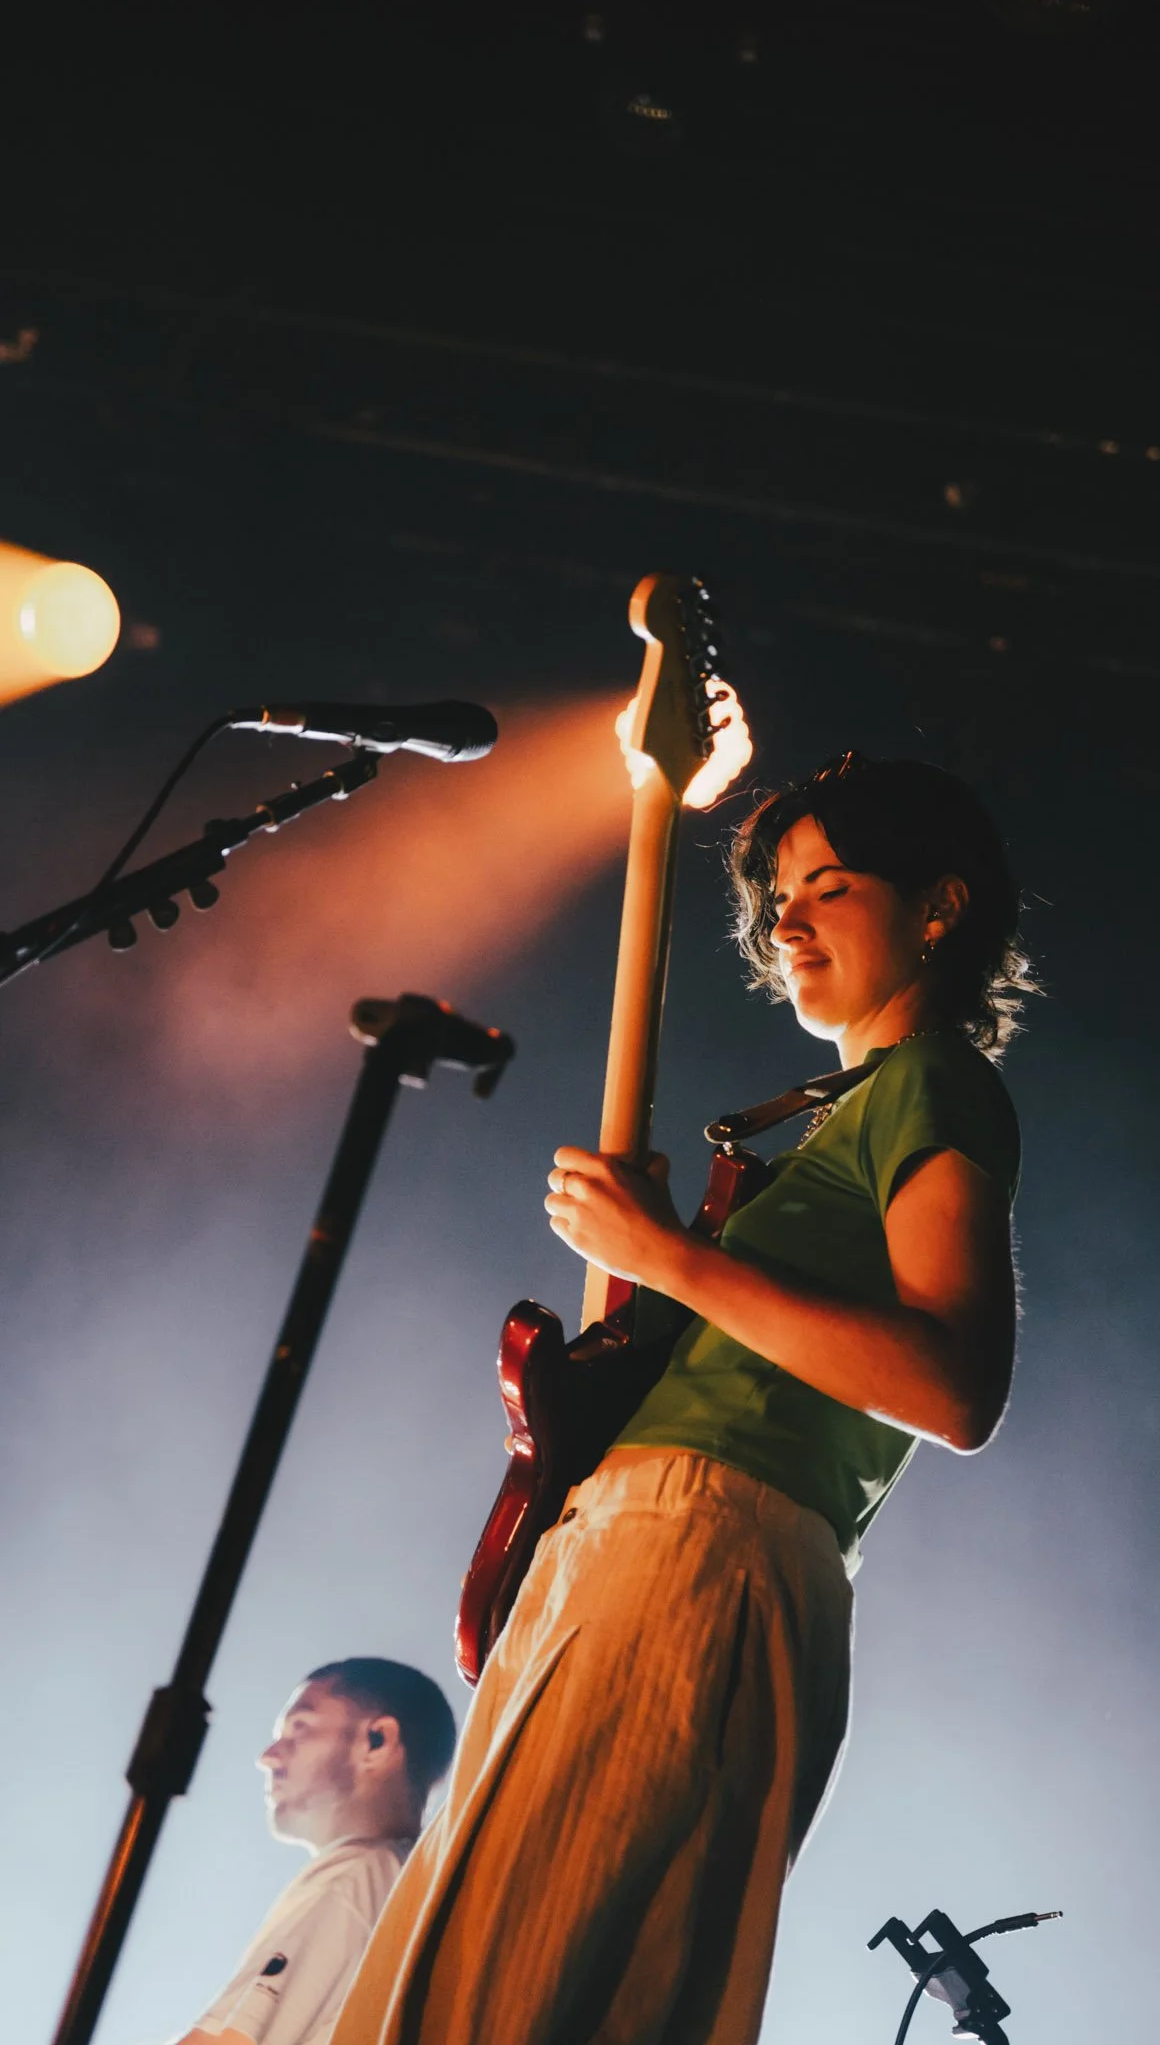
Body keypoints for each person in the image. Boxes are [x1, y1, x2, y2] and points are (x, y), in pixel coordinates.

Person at [332, 751, 1036, 2045]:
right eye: (777, 892)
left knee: (504, 1990)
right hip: (660, 1546)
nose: (785, 919)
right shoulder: (850, 1114)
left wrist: (669, 1259)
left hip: (704, 1546)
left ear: (939, 907)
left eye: (827, 883)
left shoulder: (932, 1082)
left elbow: (953, 1381)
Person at [172, 1657, 456, 2045]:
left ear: (377, 1741)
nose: (268, 1757)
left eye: (298, 1728)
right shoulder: (414, 1890)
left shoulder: (355, 1878)